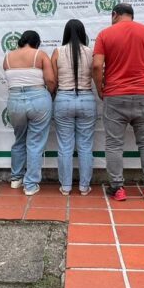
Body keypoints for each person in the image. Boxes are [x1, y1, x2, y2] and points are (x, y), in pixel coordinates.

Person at [92, 3, 144, 202]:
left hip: (115, 95)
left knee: (114, 144)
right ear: (132, 15)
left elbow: (97, 65)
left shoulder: (105, 35)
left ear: (114, 14)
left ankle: (118, 189)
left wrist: (101, 88)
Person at [4, 30, 56, 196]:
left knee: (19, 139)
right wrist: (51, 92)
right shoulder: (40, 55)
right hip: (38, 98)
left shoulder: (7, 57)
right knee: (35, 142)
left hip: (15, 100)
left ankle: (15, 179)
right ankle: (31, 185)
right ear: (37, 43)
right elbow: (50, 80)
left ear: (21, 41)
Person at [51, 19, 97, 196]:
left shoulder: (57, 52)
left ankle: (66, 186)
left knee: (64, 146)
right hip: (86, 98)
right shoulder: (90, 52)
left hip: (63, 97)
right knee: (85, 146)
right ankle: (84, 187)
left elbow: (53, 81)